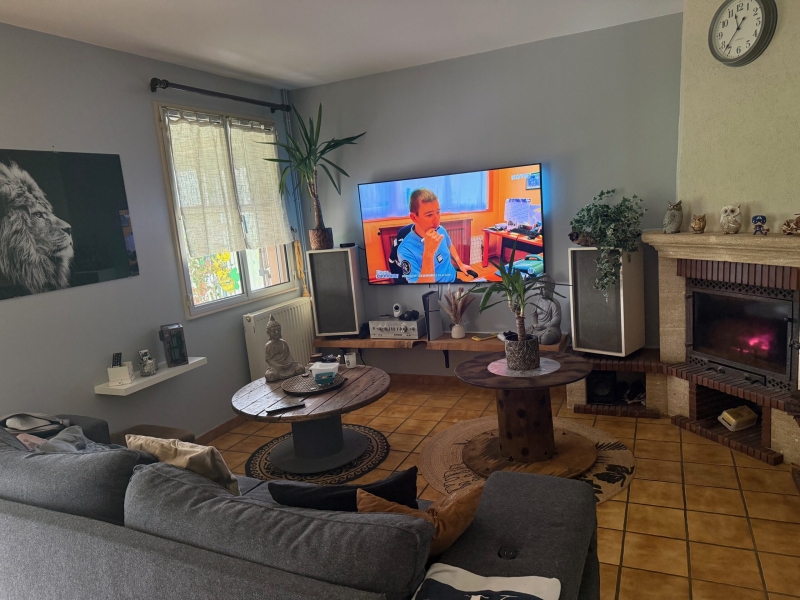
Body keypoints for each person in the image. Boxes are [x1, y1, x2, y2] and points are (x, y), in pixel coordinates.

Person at [396, 188, 477, 284]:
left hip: (453, 280)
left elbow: (449, 245)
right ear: (414, 217)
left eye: (438, 212)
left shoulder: (440, 229)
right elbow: (421, 289)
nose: (437, 221)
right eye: (429, 215)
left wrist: (460, 263)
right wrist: (428, 254)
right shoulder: (405, 250)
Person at [264, 315, 305, 382]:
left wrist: (290, 363)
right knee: (270, 375)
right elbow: (268, 359)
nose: (277, 332)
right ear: (268, 333)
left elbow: (288, 355)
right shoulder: (268, 345)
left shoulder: (283, 343)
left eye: (278, 330)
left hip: (287, 365)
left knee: (300, 368)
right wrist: (278, 365)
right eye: (273, 331)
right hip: (276, 368)